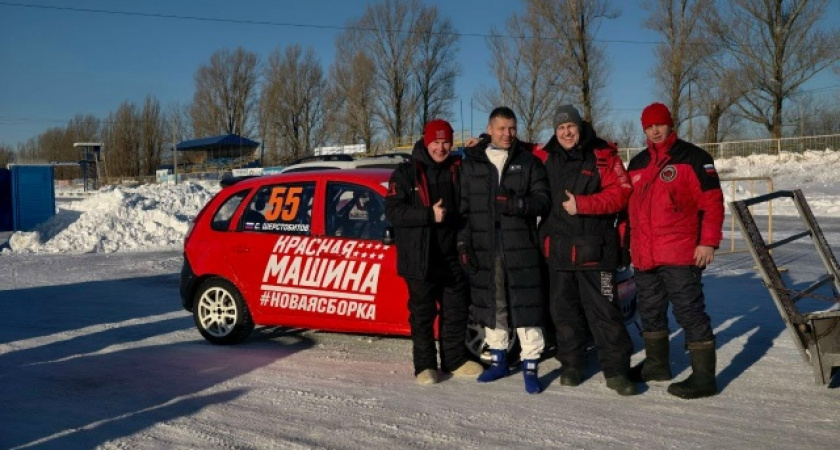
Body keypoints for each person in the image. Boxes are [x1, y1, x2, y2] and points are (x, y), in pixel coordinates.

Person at [626, 102, 724, 399]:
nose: (654, 130)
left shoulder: (694, 158)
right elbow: (630, 210)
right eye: (649, 126)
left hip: (681, 254)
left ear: (670, 125)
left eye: (659, 124)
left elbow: (712, 203)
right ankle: (657, 366)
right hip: (645, 255)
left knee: (689, 312)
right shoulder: (638, 163)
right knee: (651, 311)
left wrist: (707, 241)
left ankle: (704, 378)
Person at [538, 105, 638, 396]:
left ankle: (617, 371)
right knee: (563, 312)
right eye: (560, 128)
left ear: (579, 127)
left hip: (595, 249)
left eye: (570, 126)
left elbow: (621, 193)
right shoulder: (546, 156)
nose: (566, 132)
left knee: (605, 312)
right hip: (558, 250)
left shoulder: (603, 154)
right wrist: (482, 141)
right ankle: (572, 365)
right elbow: (518, 149)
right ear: (554, 132)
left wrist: (583, 204)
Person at [457, 107, 551, 394]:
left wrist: (516, 205)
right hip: (486, 248)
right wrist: (463, 241)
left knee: (525, 305)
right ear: (490, 128)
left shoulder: (529, 162)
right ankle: (498, 361)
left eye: (512, 128)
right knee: (492, 304)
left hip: (520, 247)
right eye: (502, 129)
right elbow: (464, 209)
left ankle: (530, 365)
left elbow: (543, 200)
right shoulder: (472, 163)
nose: (508, 134)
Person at [385, 119, 483, 385]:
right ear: (426, 142)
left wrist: (482, 142)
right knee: (423, 314)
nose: (441, 148)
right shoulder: (407, 173)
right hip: (420, 258)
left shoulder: (457, 168)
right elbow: (393, 211)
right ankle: (425, 366)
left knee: (455, 312)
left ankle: (454, 360)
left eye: (446, 142)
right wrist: (429, 214)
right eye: (436, 142)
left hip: (453, 255)